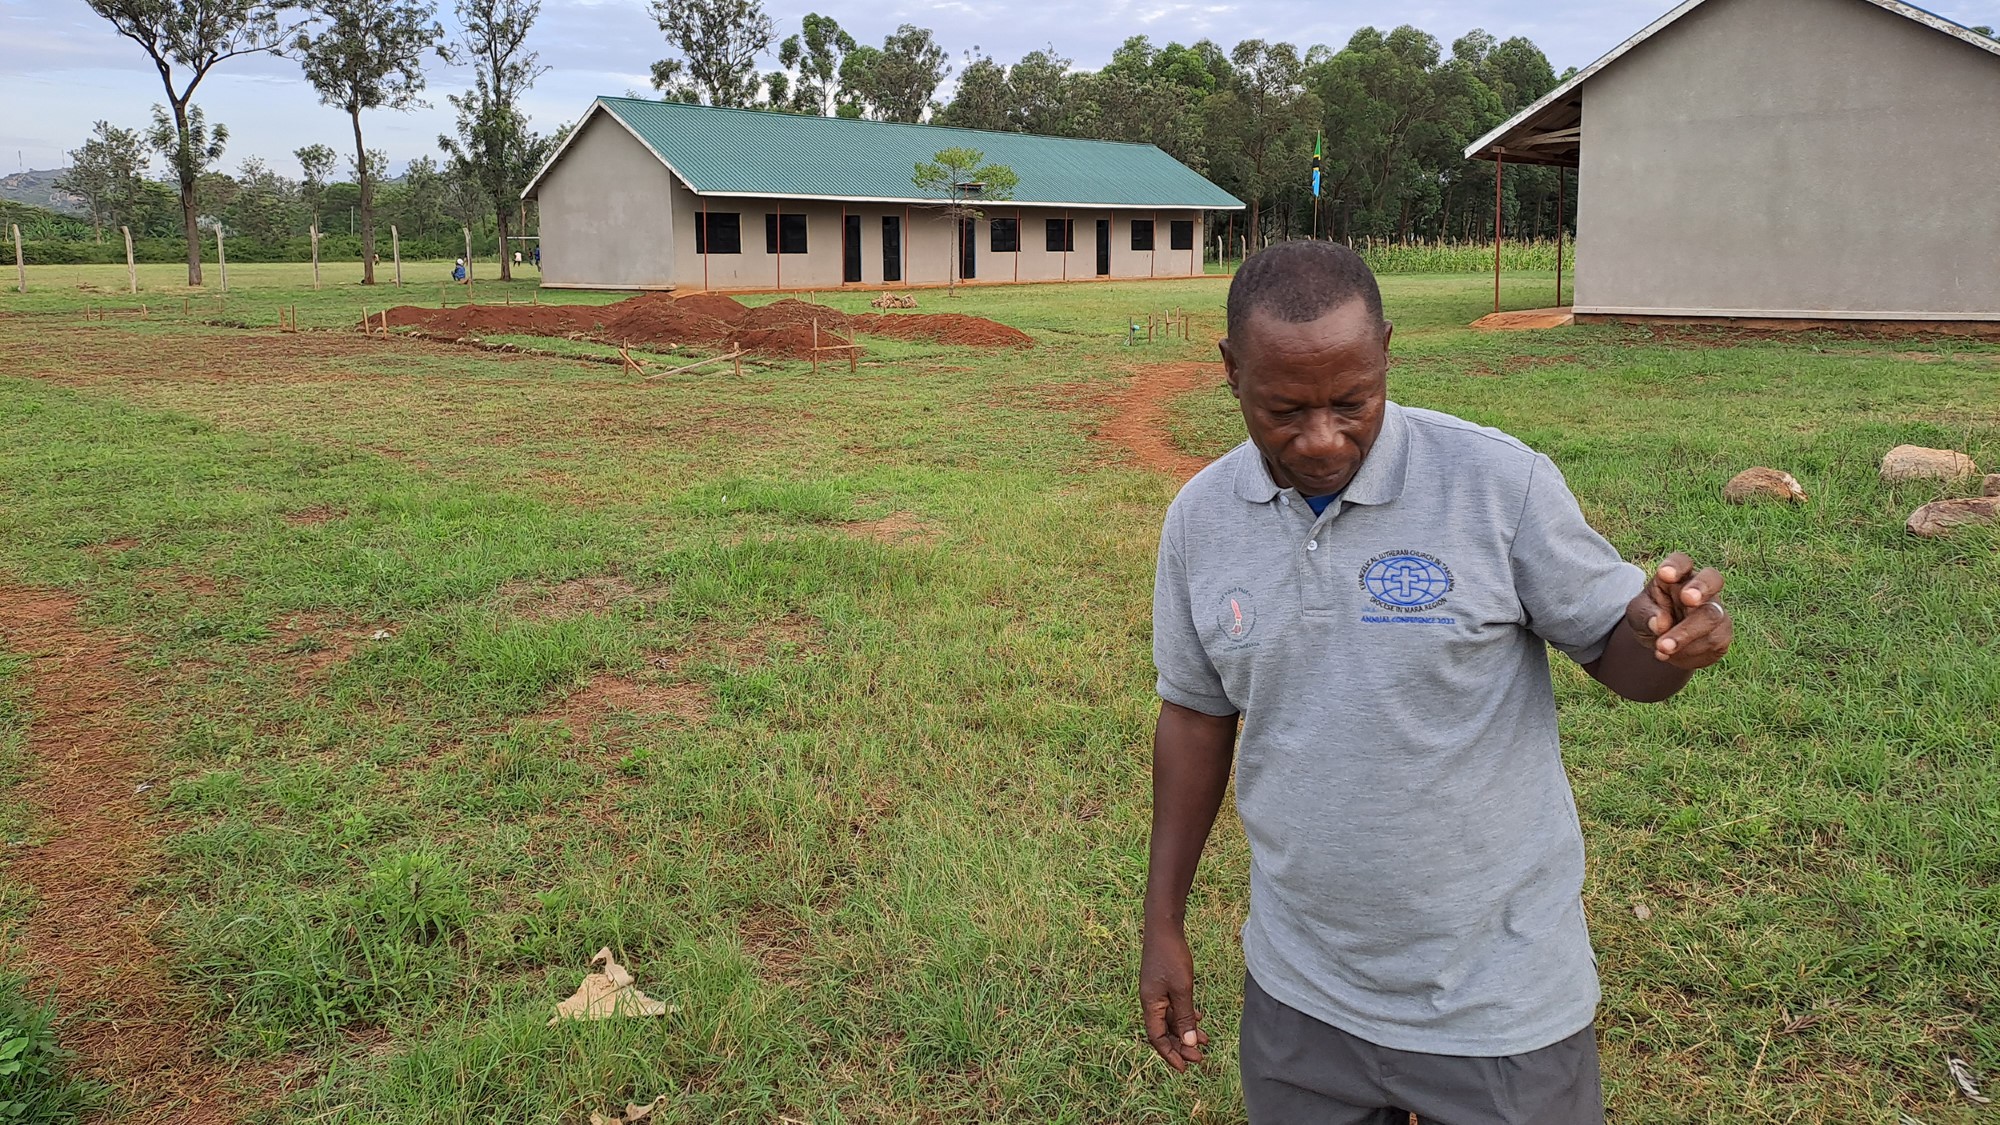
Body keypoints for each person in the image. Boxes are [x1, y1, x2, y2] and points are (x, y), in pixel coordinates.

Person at [1141, 241, 1733, 1125]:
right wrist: (1164, 919)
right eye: (1283, 409)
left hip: (1499, 1000)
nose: (1322, 438)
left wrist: (1667, 641)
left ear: (1386, 350)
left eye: (1353, 402)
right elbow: (1195, 716)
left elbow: (1618, 655)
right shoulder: (1200, 521)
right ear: (1231, 373)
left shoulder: (1497, 484)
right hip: (1302, 993)